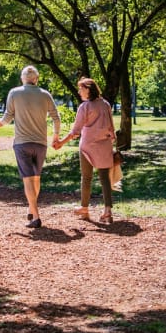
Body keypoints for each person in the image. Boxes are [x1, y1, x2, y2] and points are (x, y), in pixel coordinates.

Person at [0, 65, 60, 228]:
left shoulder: (14, 93)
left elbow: (8, 116)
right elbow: (56, 117)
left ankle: (36, 216)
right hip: (41, 143)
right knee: (36, 178)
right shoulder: (45, 94)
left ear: (22, 78)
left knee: (27, 180)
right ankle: (32, 208)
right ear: (36, 79)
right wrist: (56, 136)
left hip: (22, 143)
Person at [54, 77, 116, 224]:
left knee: (86, 178)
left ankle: (85, 209)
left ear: (88, 89)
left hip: (88, 146)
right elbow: (111, 128)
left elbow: (75, 131)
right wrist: (110, 141)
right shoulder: (106, 104)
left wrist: (61, 142)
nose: (79, 91)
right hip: (105, 145)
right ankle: (108, 211)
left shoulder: (85, 107)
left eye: (81, 88)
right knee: (105, 179)